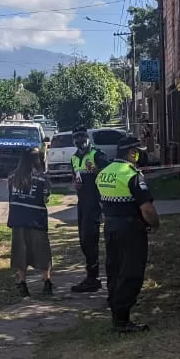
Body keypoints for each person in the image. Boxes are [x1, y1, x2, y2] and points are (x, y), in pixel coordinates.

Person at [97, 137, 159, 333]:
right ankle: (122, 320)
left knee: (114, 268)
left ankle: (116, 310)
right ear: (131, 153)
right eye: (138, 151)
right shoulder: (132, 175)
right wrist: (155, 224)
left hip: (111, 226)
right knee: (131, 271)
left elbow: (102, 202)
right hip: (131, 228)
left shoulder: (104, 173)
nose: (140, 154)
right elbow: (147, 209)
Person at [8, 147, 53, 296]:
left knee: (20, 253)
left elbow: (11, 197)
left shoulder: (12, 177)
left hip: (18, 220)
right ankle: (46, 282)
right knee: (43, 252)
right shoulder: (42, 178)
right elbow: (45, 198)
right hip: (36, 220)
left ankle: (22, 284)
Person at [69, 126, 109, 293]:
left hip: (96, 203)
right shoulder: (74, 158)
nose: (80, 139)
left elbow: (108, 173)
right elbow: (75, 177)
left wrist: (96, 171)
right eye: (77, 137)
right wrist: (75, 184)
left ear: (88, 137)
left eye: (83, 136)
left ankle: (93, 278)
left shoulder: (96, 155)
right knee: (83, 240)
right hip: (82, 203)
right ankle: (91, 276)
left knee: (90, 239)